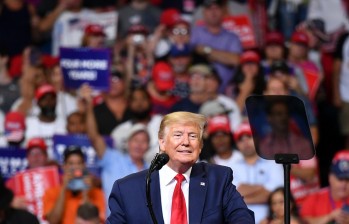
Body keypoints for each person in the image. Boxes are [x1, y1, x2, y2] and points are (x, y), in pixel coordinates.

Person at [107, 111, 255, 223]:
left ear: (200, 146)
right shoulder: (127, 189)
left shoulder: (218, 180)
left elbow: (243, 218)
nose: (186, 142)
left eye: (193, 136)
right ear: (162, 143)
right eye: (178, 135)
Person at [232, 122, 284, 224]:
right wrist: (262, 187)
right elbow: (233, 194)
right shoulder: (231, 167)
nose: (246, 142)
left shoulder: (273, 162)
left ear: (257, 138)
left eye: (249, 137)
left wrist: (241, 199)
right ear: (237, 144)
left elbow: (275, 194)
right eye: (241, 139)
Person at [43, 145, 105, 224]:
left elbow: (94, 222)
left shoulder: (97, 193)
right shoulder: (51, 192)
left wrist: (86, 194)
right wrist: (63, 189)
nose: (75, 167)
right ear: (64, 167)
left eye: (79, 163)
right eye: (71, 163)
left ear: (84, 166)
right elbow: (53, 221)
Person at [300, 150, 349, 224]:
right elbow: (302, 221)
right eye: (340, 179)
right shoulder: (315, 198)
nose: (344, 184)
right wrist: (330, 217)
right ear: (330, 178)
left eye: (347, 180)